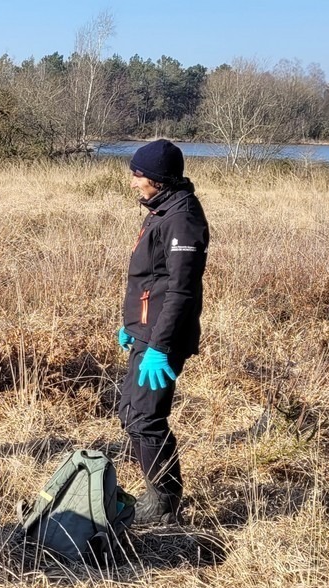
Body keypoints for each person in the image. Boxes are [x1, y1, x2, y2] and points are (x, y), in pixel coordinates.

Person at [116, 139, 210, 525]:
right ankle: (157, 492)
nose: (134, 181)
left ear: (157, 177)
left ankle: (164, 502)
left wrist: (159, 344)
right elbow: (147, 279)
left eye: (139, 175)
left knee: (146, 418)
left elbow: (180, 291)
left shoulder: (181, 219)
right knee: (129, 412)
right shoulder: (159, 210)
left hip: (163, 336)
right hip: (146, 330)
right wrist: (130, 325)